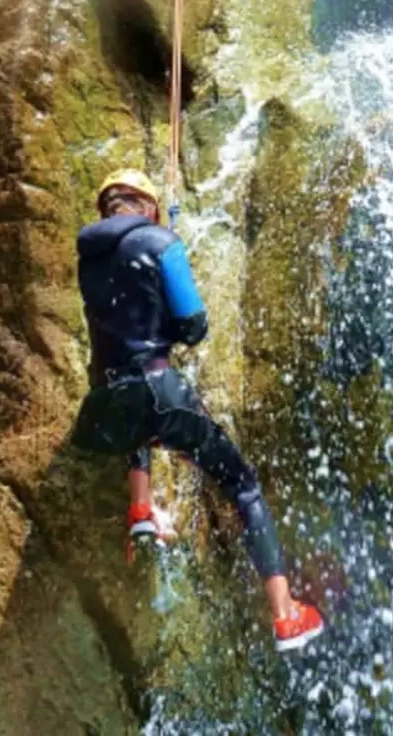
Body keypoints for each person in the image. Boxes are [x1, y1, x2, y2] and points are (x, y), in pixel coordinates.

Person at [70, 168, 325, 652]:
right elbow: (193, 325)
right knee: (243, 486)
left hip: (110, 399)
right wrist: (171, 250)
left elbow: (117, 335)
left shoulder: (89, 261)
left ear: (105, 209)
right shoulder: (160, 241)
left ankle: (141, 509)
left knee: (135, 422)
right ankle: (285, 614)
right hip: (158, 391)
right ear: (147, 206)